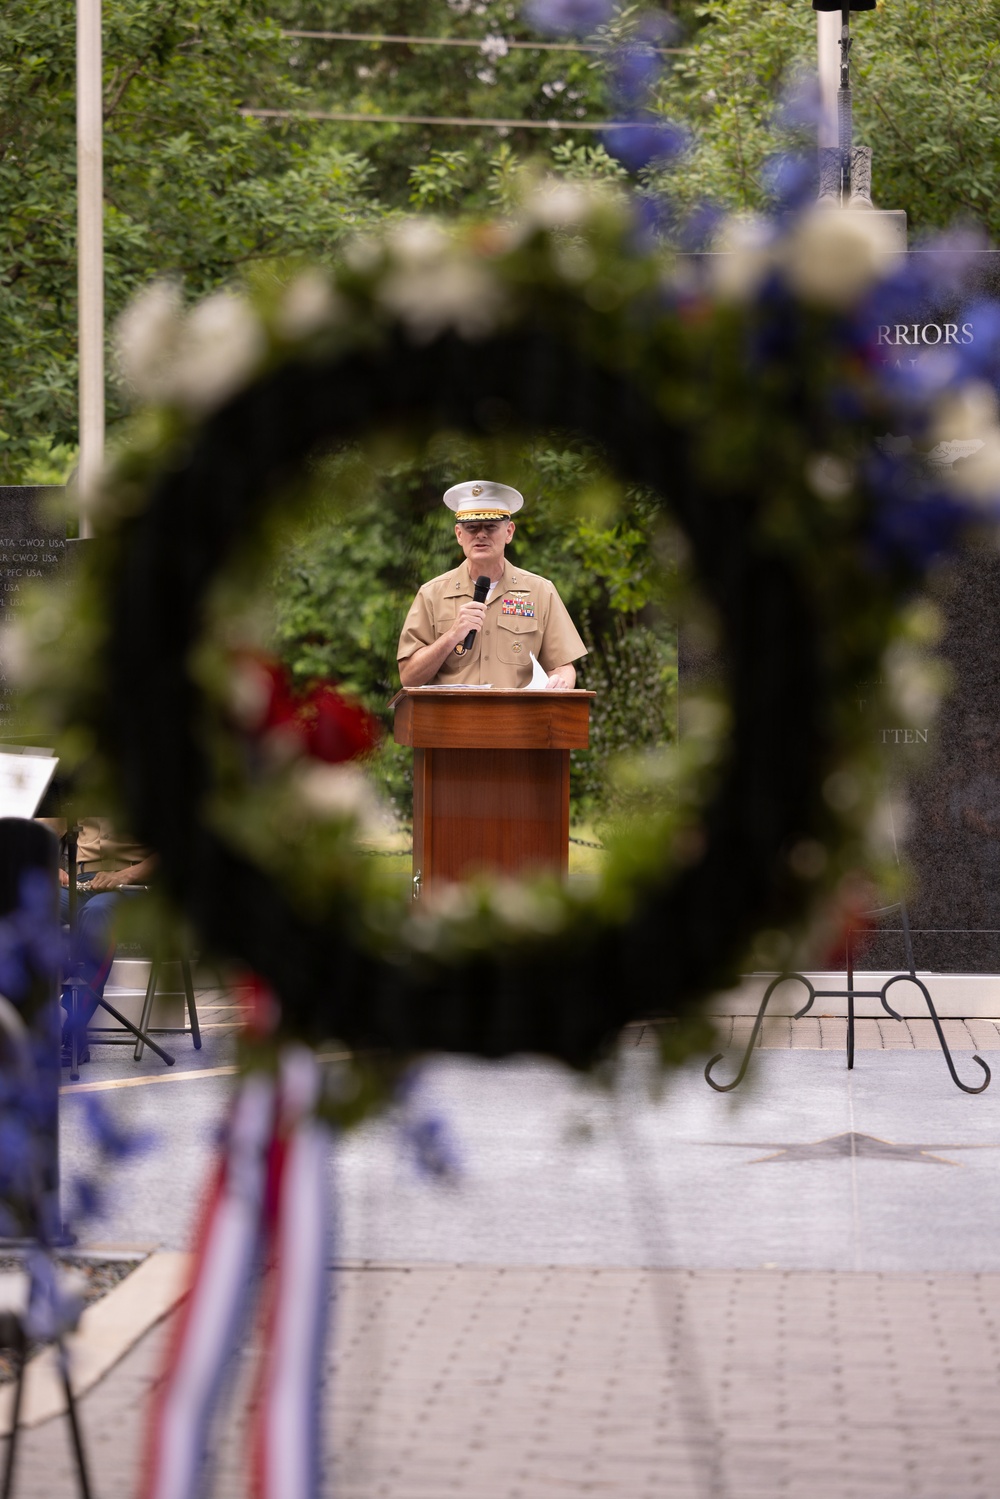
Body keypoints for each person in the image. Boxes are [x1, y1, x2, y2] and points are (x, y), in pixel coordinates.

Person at [397, 480, 587, 690]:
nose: (480, 534)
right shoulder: (431, 594)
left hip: (516, 720)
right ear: (459, 535)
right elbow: (409, 677)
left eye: (490, 526)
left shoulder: (540, 591)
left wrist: (561, 683)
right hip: (450, 721)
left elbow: (562, 667)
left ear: (509, 532)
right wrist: (452, 635)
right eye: (471, 527)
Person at [38, 818, 156, 1065]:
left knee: (96, 913)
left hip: (133, 884)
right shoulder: (82, 783)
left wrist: (126, 874)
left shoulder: (153, 783)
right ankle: (25, 1026)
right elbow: (47, 826)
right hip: (81, 881)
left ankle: (75, 1026)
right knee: (28, 902)